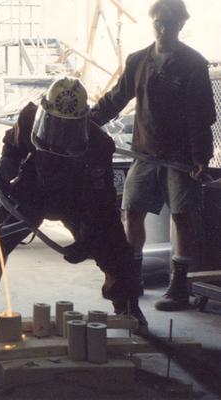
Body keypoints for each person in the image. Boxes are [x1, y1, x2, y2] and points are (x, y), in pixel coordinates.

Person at [0, 77, 147, 327]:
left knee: (115, 247)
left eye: (68, 129)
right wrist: (6, 168)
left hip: (77, 197)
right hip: (34, 188)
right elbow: (12, 144)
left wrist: (88, 241)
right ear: (43, 113)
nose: (58, 137)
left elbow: (102, 205)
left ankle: (127, 305)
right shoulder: (29, 118)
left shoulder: (99, 146)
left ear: (84, 122)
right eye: (53, 125)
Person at [90, 0, 216, 311]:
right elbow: (116, 98)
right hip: (145, 155)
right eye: (159, 22)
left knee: (181, 217)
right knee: (131, 212)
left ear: (181, 25)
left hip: (181, 158)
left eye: (170, 23)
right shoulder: (138, 61)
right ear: (153, 23)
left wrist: (201, 157)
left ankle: (178, 286)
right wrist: (88, 121)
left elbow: (203, 117)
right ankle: (133, 278)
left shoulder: (194, 65)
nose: (163, 28)